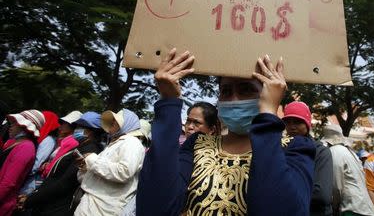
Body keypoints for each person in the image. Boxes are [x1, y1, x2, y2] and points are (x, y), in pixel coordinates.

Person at [136, 49, 316, 216]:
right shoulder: (198, 145)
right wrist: (168, 103)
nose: (234, 99)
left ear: (269, 94)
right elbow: (155, 207)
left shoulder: (294, 148)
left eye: (246, 90)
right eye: (226, 91)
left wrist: (269, 113)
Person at [17, 111, 104, 216]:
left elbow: (64, 183)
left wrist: (31, 200)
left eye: (80, 127)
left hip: (56, 207)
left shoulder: (89, 151)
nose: (76, 129)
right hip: (48, 202)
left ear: (91, 132)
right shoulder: (80, 147)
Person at [74, 109, 145, 215]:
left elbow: (124, 172)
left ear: (126, 124)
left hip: (103, 209)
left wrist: (92, 159)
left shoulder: (132, 143)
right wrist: (85, 167)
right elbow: (97, 173)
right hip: (90, 205)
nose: (112, 123)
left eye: (116, 121)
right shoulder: (115, 143)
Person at [282, 101, 333, 216]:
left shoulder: (320, 151)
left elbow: (322, 195)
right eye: (288, 122)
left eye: (297, 122)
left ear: (307, 124)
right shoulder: (282, 149)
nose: (292, 127)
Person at [322, 124, 374, 216]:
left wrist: (334, 205)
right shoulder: (350, 152)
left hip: (351, 208)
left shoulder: (334, 151)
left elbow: (337, 186)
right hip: (365, 207)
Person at [0, 110, 45, 216]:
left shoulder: (26, 147)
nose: (11, 125)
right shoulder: (15, 142)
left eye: (15, 123)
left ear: (24, 127)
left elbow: (8, 183)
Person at [20, 111, 60, 195]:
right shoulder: (42, 137)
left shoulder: (49, 140)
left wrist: (20, 174)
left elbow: (37, 163)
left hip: (28, 182)